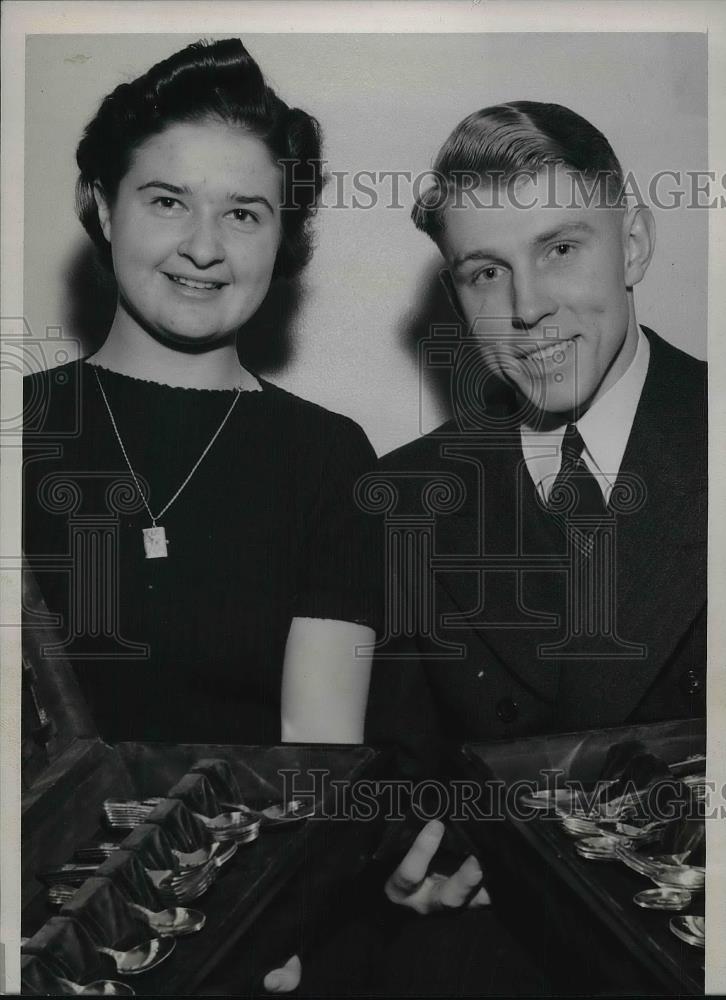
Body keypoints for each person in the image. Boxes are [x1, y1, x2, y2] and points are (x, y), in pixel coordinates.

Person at [22, 38, 379, 746]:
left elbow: (318, 754)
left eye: (243, 214)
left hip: (255, 852)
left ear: (283, 239)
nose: (205, 248)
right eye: (167, 202)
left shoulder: (329, 458)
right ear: (102, 209)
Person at [368, 100, 706, 778]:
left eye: (559, 249)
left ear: (633, 245)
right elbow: (399, 777)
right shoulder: (405, 499)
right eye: (486, 273)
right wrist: (417, 865)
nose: (527, 309)